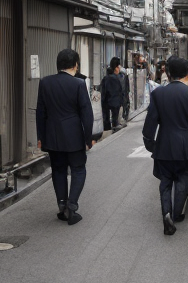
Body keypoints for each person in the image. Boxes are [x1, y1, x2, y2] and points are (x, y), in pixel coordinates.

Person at [142, 55, 188, 235]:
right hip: (186, 146)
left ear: (168, 72)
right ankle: (177, 213)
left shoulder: (158, 94)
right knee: (183, 180)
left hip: (164, 145)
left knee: (165, 183)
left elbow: (149, 126)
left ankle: (166, 213)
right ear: (186, 72)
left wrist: (151, 145)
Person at [36, 48, 95, 225]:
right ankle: (73, 205)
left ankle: (62, 206)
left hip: (53, 136)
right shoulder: (78, 84)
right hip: (74, 135)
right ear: (75, 65)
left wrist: (41, 137)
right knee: (78, 169)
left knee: (58, 170)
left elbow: (40, 112)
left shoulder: (45, 82)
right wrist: (88, 138)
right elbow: (87, 113)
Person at [100, 57, 124, 132]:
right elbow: (119, 92)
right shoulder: (116, 79)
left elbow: (103, 92)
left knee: (107, 123)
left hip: (106, 105)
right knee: (115, 124)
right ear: (116, 68)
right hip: (114, 104)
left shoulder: (105, 78)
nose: (119, 69)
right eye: (118, 67)